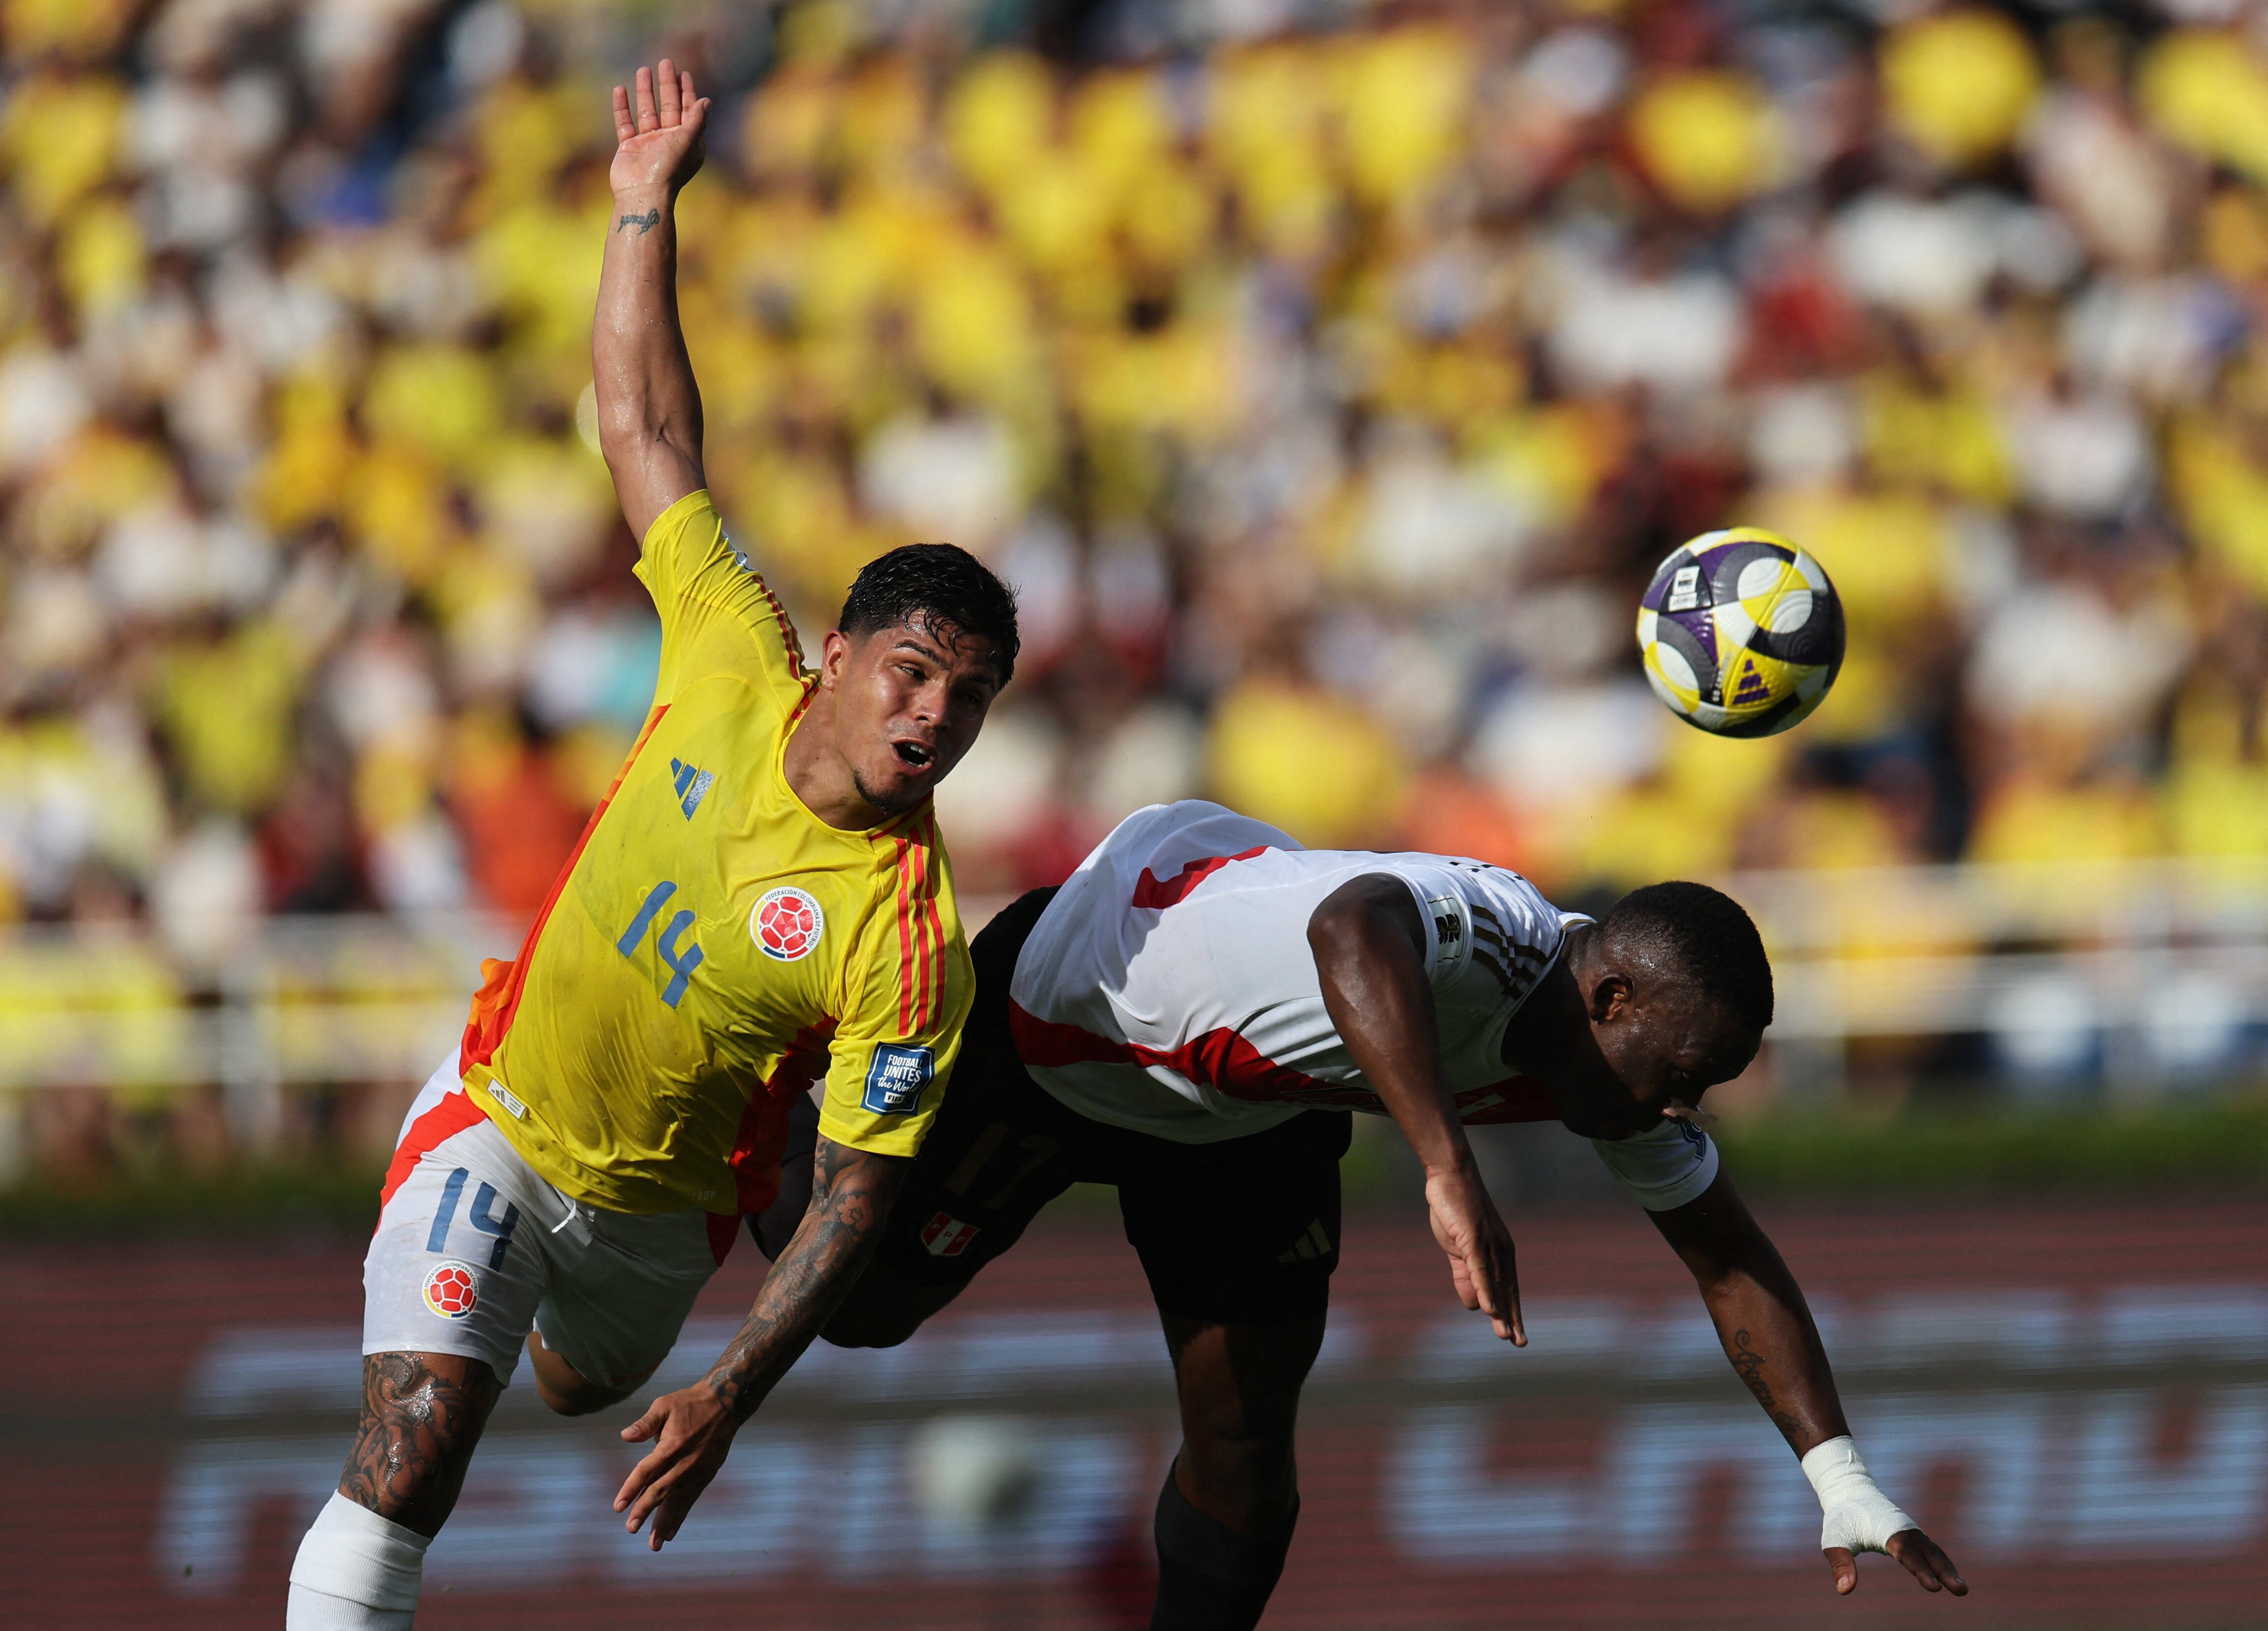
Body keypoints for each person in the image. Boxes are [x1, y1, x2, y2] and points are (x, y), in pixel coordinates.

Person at [285, 62, 1017, 1629]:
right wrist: (640, 205)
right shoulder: (728, 650)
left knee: (562, 1385)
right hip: (503, 1113)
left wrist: (732, 1386)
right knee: (414, 1452)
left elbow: (852, 1203)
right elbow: (646, 421)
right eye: (912, 671)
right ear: (838, 651)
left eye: (970, 699)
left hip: (659, 1226)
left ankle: (536, 1320)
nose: (934, 717)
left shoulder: (908, 940)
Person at [796, 799, 1966, 1629]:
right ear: (1607, 996)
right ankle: (763, 1091)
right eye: (1680, 1068)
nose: (1681, 1102)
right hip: (1064, 1024)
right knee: (855, 1313)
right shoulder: (1500, 929)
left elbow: (1731, 1259)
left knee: (1246, 1444)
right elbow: (1354, 924)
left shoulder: (1617, 1074)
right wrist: (1445, 1166)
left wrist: (1841, 1479)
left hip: (1258, 1108)